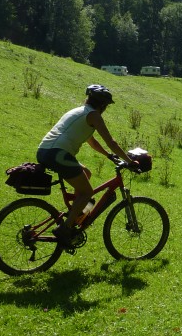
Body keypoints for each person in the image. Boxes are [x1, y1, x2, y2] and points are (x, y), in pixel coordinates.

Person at [37, 84, 134, 246]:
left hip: (46, 150)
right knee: (87, 191)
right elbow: (110, 141)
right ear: (102, 105)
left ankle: (76, 213)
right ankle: (65, 229)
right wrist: (130, 162)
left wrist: (109, 156)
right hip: (58, 153)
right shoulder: (94, 115)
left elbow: (92, 141)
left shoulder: (80, 111)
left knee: (86, 173)